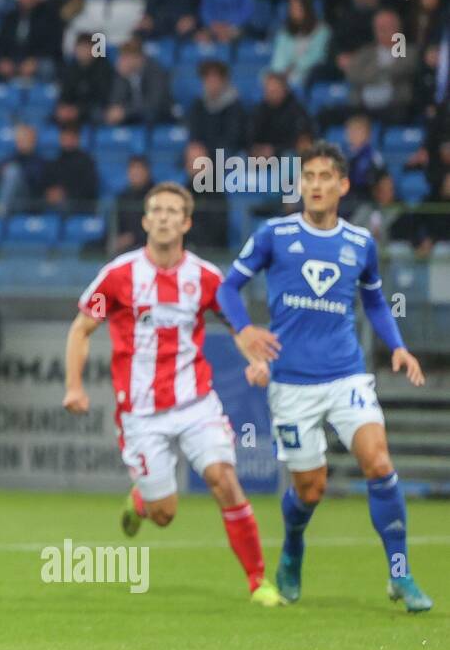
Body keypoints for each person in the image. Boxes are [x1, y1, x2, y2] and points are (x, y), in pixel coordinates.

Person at [217, 142, 433, 612]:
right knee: (309, 489)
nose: (315, 185)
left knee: (378, 462)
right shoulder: (274, 234)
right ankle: (293, 545)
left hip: (346, 375)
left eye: (324, 177)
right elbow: (228, 287)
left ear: (342, 185)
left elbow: (375, 300)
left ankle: (400, 573)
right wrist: (245, 329)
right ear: (300, 184)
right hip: (291, 383)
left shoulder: (360, 243)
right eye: (308, 176)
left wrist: (396, 346)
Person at [63, 182, 283, 605]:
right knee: (165, 514)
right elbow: (81, 328)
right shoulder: (119, 275)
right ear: (145, 221)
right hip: (140, 413)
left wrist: (254, 361)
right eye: (156, 210)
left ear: (186, 222)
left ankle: (258, 581)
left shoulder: (205, 277)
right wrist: (73, 385)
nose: (163, 217)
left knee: (223, 478)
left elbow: (237, 327)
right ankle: (143, 502)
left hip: (196, 402)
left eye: (172, 211)